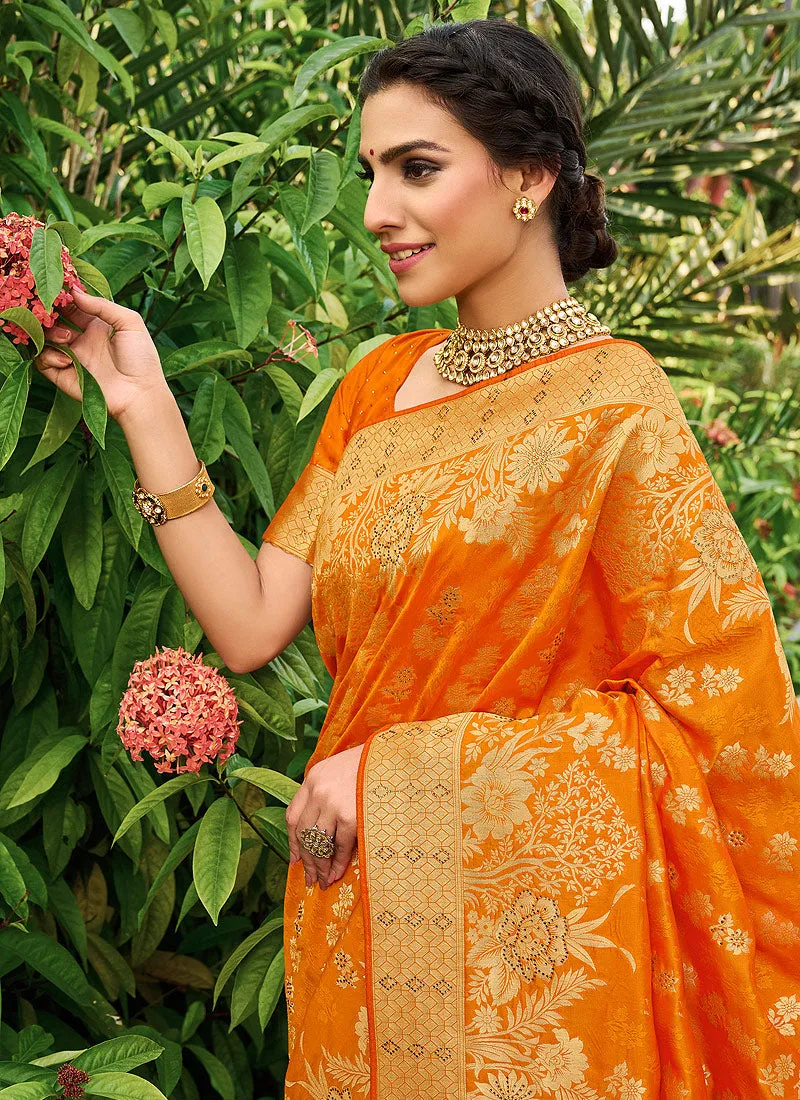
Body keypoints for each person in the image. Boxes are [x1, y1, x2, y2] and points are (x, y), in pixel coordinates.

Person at [36, 18, 799, 1100]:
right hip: (360, 915)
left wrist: (396, 774)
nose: (375, 211)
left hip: (526, 971)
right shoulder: (377, 386)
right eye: (369, 172)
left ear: (527, 175)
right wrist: (142, 403)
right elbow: (252, 622)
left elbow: (717, 723)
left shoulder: (616, 406)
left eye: (416, 168)